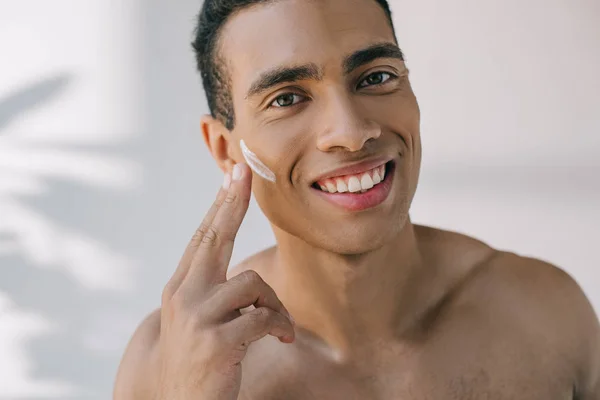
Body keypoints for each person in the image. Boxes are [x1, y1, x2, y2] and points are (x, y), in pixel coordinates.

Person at [113, 0, 600, 398]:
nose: (350, 132)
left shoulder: (547, 311)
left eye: (375, 77)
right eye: (286, 98)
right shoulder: (165, 363)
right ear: (224, 148)